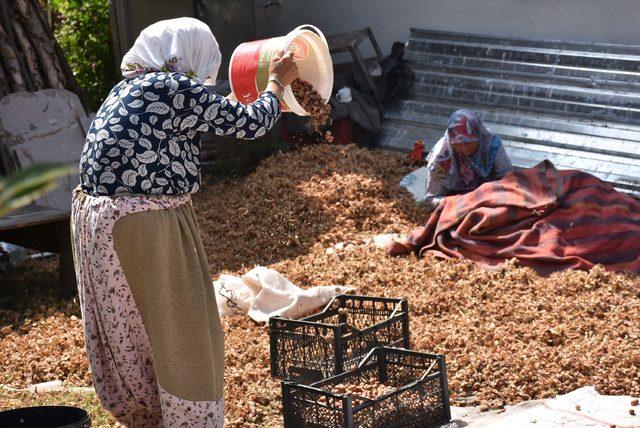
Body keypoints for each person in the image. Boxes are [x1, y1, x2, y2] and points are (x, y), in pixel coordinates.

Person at [71, 18, 297, 427]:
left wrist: (242, 98)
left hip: (98, 221)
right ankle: (190, 418)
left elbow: (207, 116)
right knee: (180, 328)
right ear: (188, 55)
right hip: (143, 223)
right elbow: (252, 124)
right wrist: (277, 83)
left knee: (134, 328)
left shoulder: (132, 88)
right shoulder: (171, 87)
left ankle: (144, 413)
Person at [422, 109, 512, 208]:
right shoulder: (441, 156)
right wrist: (459, 202)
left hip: (489, 195)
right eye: (458, 144)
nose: (464, 149)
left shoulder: (491, 145)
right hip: (457, 201)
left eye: (469, 143)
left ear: (478, 136)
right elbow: (431, 199)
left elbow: (508, 179)